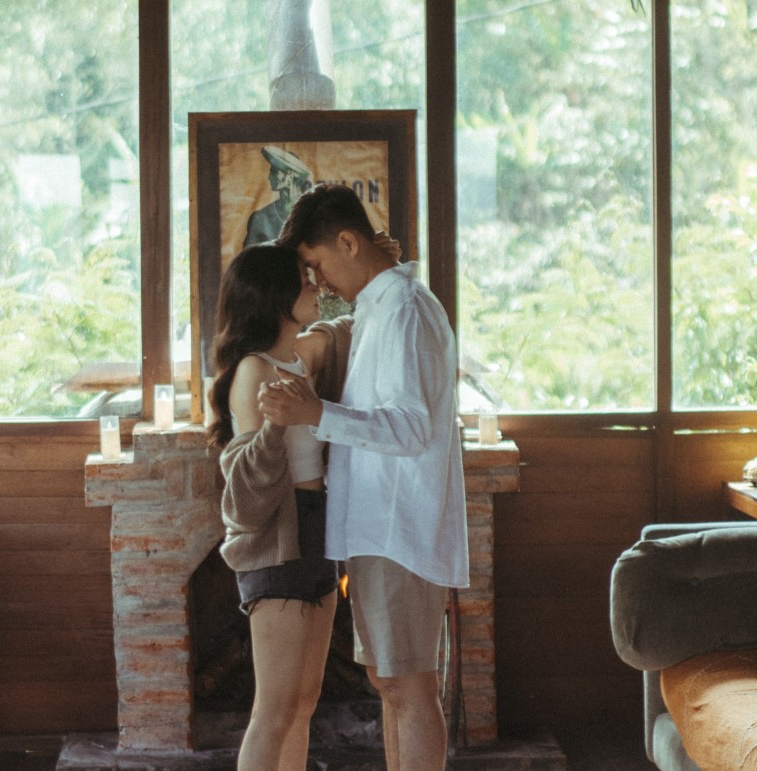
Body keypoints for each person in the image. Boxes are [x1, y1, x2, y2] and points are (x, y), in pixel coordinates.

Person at [259, 184, 468, 771]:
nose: (320, 282)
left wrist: (314, 413)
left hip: (401, 527)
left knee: (409, 687)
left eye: (318, 264)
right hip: (378, 527)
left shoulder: (404, 309)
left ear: (349, 243)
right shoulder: (381, 306)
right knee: (390, 683)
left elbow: (411, 428)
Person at [206, 241, 351, 771]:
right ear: (274, 295)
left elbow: (347, 328)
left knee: (304, 703)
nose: (315, 286)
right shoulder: (253, 369)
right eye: (303, 279)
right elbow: (249, 485)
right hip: (277, 538)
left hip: (318, 527)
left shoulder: (298, 358)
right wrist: (275, 424)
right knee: (274, 709)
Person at [243, 146, 313, 248]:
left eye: (274, 171)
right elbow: (248, 255)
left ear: (289, 176)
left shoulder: (312, 214)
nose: (269, 177)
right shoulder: (260, 218)